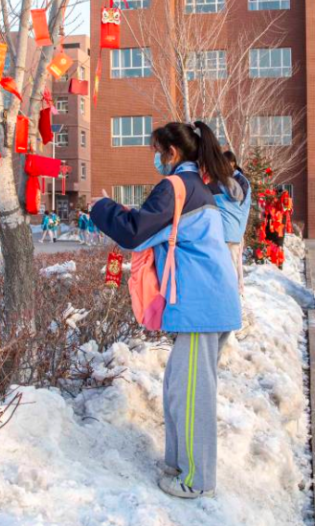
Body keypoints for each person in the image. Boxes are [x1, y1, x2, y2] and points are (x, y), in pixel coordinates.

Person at [90, 121, 240, 500]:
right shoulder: (194, 188)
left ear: (172, 153)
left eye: (157, 150)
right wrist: (118, 211)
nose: (155, 158)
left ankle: (197, 479)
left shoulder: (175, 186)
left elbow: (134, 231)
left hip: (200, 308)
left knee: (191, 395)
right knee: (179, 387)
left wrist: (101, 207)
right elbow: (153, 227)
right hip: (207, 304)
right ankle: (178, 463)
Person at [212, 150, 251, 293]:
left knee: (231, 267)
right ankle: (236, 294)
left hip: (230, 231)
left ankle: (233, 297)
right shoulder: (237, 181)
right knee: (233, 266)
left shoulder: (237, 181)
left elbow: (235, 205)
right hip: (233, 231)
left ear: (232, 163)